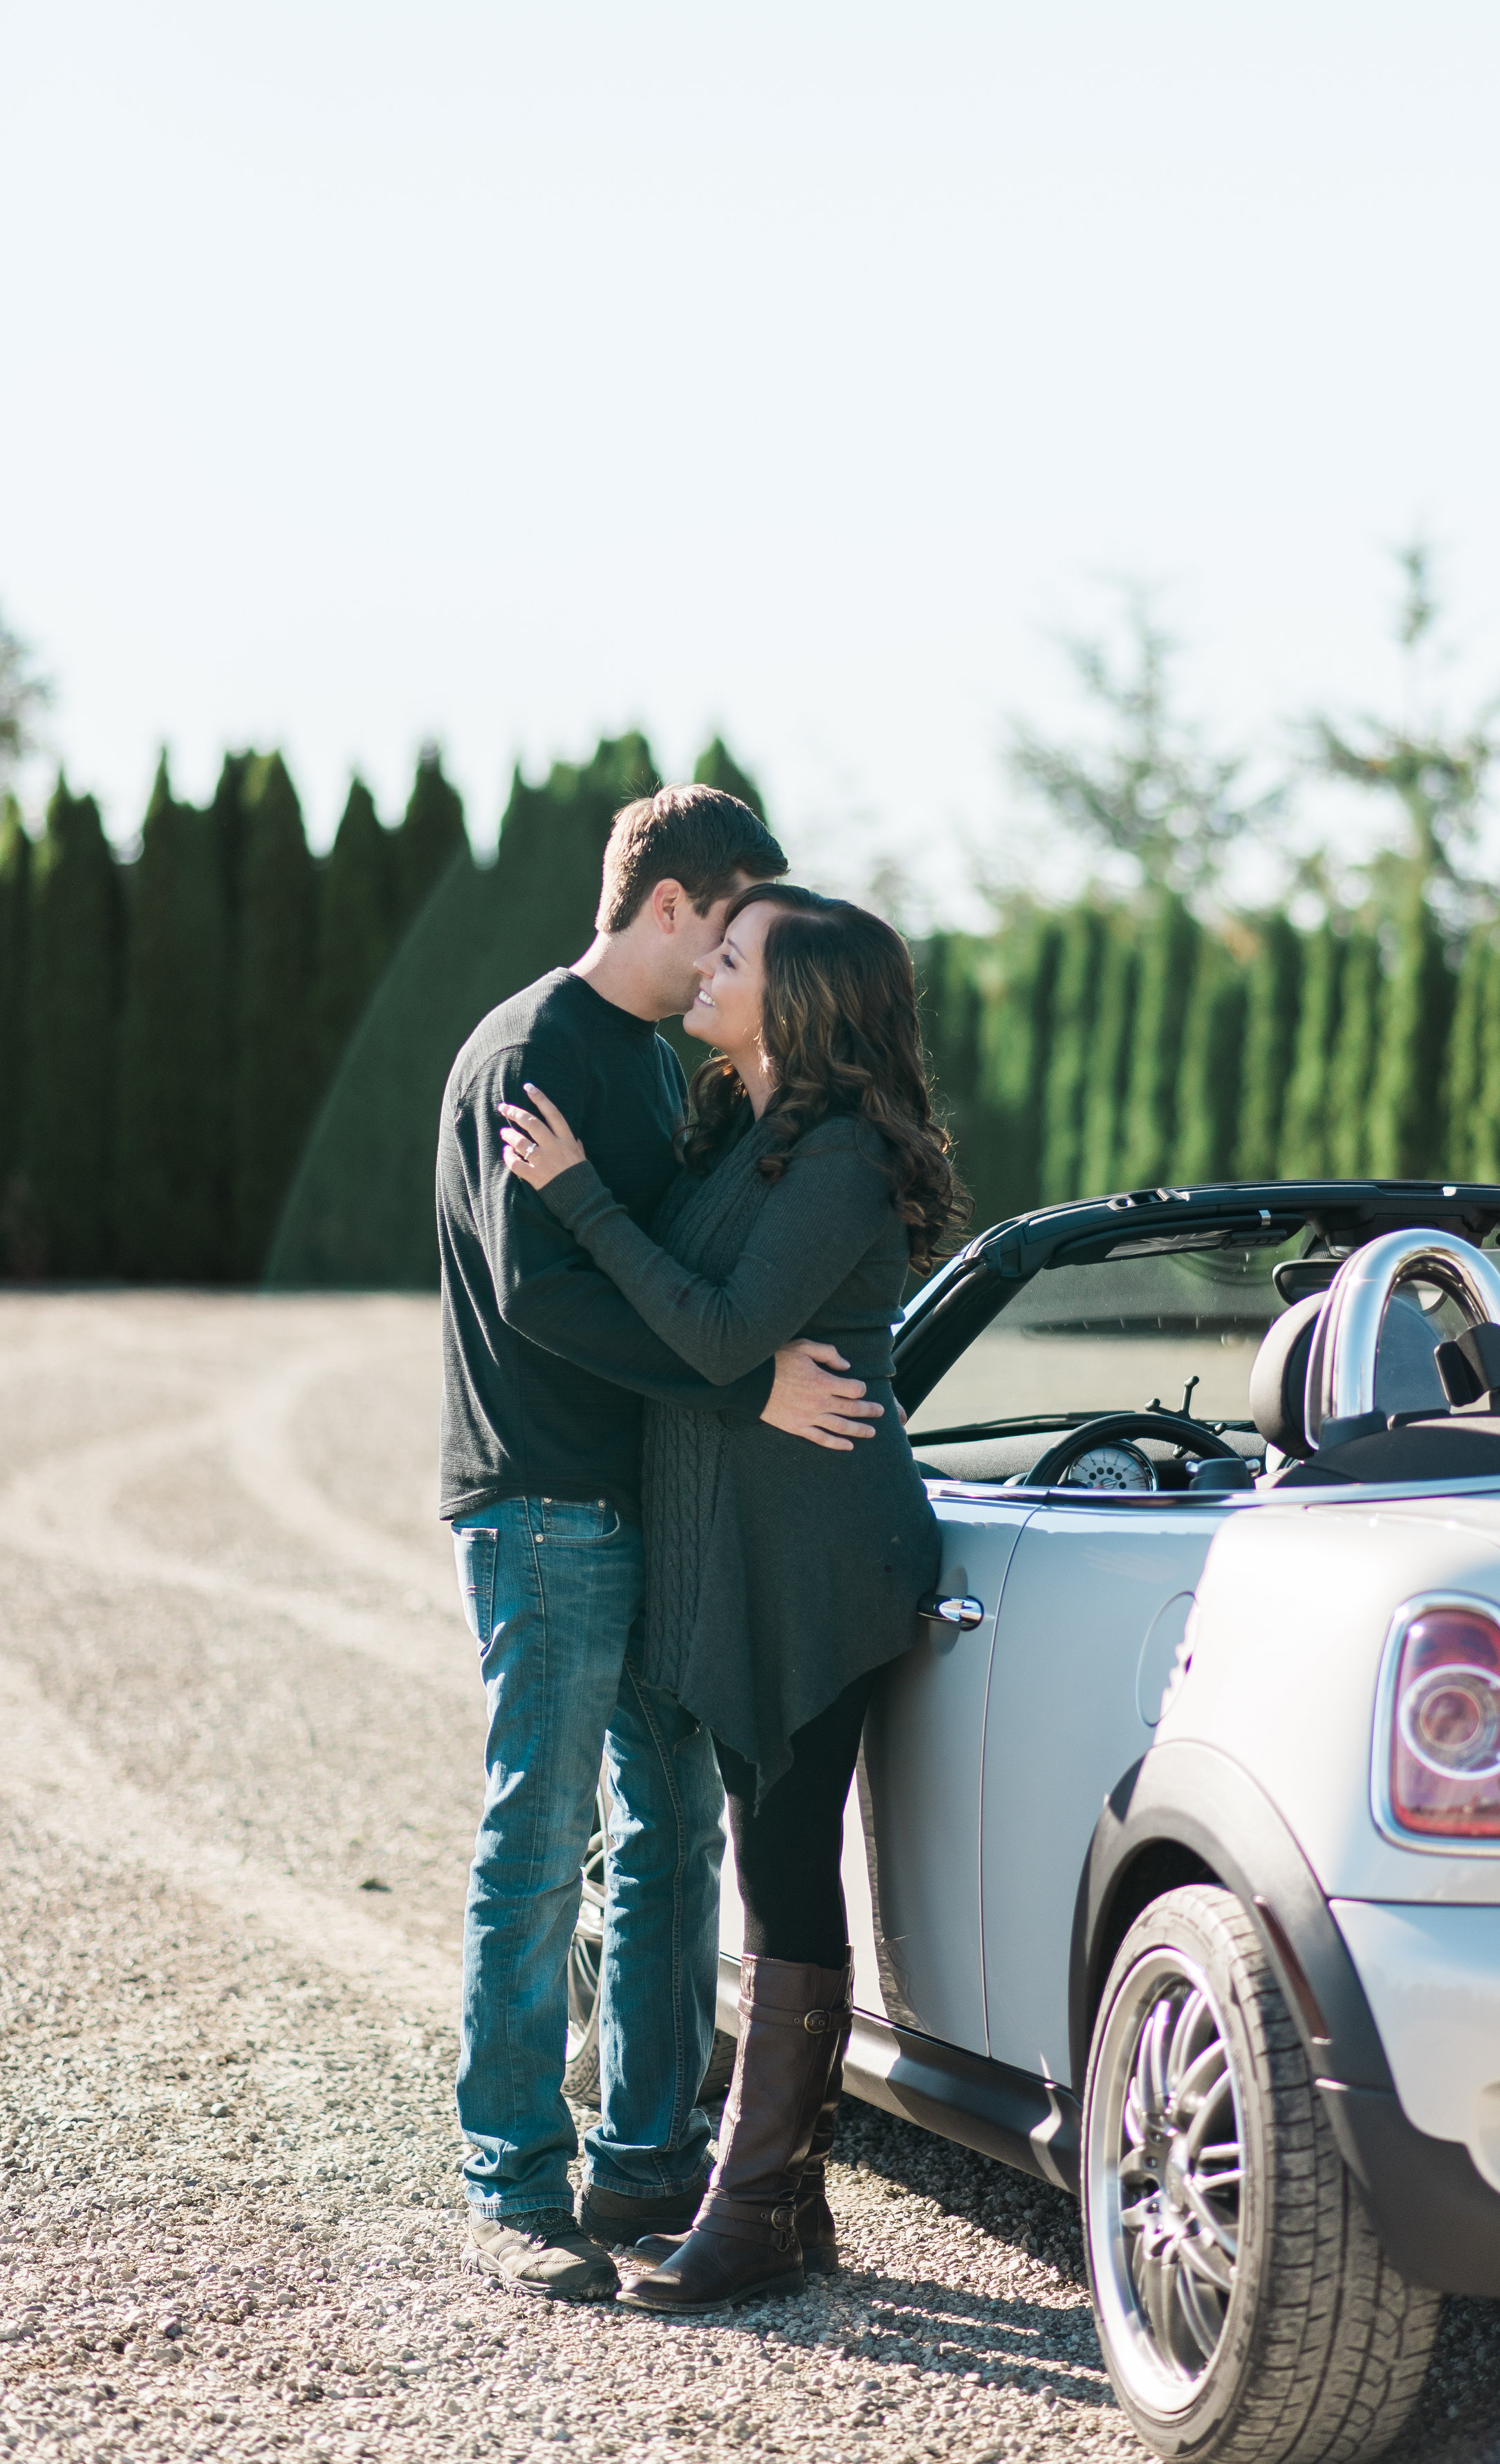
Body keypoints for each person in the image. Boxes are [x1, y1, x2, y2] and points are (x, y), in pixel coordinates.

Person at [440, 788, 885, 2304]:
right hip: (546, 1504)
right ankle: (513, 2174)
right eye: (737, 922)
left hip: (652, 1512)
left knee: (673, 1832)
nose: (725, 969)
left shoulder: (648, 1067)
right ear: (684, 900)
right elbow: (539, 1296)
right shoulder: (533, 1051)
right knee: (542, 1839)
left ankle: (645, 2150)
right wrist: (742, 1378)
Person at [498, 881, 967, 2312]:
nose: (710, 963)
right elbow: (708, 1341)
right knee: (764, 1851)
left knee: (780, 1862)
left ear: (805, 997)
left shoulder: (831, 1156)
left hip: (823, 1560)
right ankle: (787, 2199)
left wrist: (574, 1192)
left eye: (738, 952)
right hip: (747, 1552)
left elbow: (712, 1327)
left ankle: (756, 2202)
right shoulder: (742, 1132)